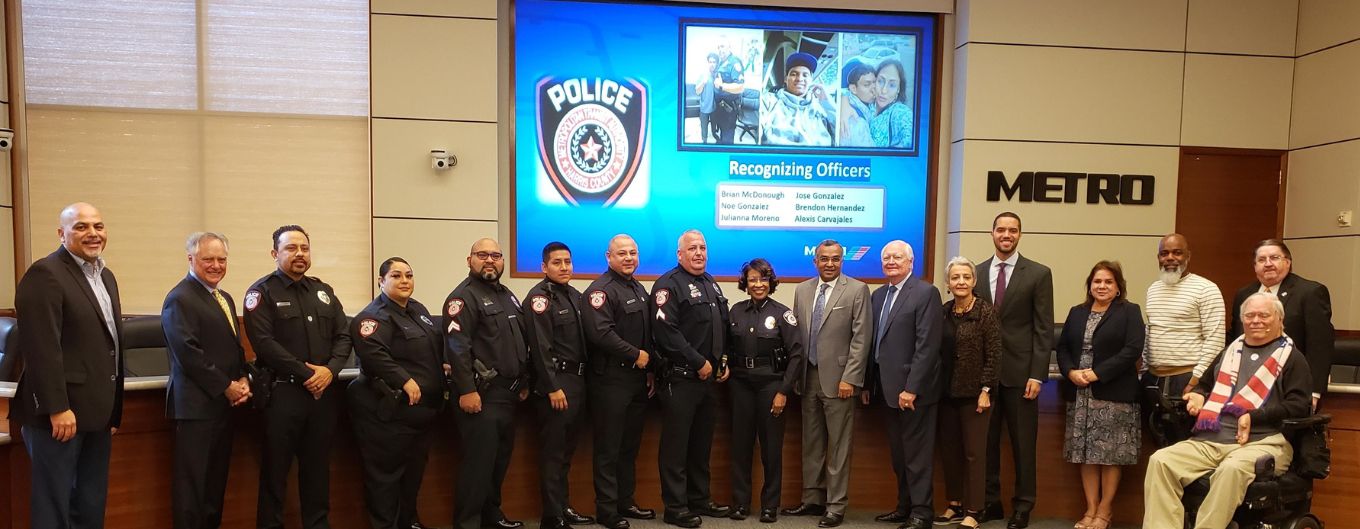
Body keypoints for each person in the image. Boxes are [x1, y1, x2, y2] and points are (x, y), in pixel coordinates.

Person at [1144, 292, 1313, 529]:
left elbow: (1299, 406)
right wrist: (1198, 395)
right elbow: (1204, 385)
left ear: (1279, 319)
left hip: (1263, 442)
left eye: (1264, 315)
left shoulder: (1292, 359)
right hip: (1212, 440)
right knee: (1161, 461)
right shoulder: (1229, 353)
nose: (1256, 320)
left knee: (1231, 469)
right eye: (1250, 315)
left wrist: (1253, 415)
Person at [14, 202, 124, 529]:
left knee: (90, 504)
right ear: (62, 234)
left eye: (98, 226)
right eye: (81, 227)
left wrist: (113, 408)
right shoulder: (45, 273)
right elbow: (40, 347)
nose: (92, 233)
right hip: (60, 415)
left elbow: (110, 346)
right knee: (54, 507)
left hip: (97, 413)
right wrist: (57, 407)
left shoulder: (106, 276)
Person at [244, 224, 352, 529]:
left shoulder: (323, 291)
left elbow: (344, 336)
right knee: (275, 474)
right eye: (291, 248)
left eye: (304, 248)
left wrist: (330, 371)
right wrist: (308, 374)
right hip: (283, 396)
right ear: (275, 253)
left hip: (322, 398)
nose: (299, 254)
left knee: (318, 473)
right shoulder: (261, 292)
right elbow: (264, 344)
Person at [347, 257, 445, 529]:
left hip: (421, 413)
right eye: (396, 276)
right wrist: (404, 380)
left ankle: (408, 522)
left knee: (412, 476)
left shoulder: (417, 309)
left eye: (409, 276)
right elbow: (373, 353)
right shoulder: (372, 317)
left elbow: (432, 345)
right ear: (381, 281)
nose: (405, 281)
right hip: (389, 413)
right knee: (385, 479)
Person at [782, 239, 872, 529]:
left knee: (838, 448)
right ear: (815, 261)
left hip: (840, 381)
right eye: (824, 259)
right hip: (808, 379)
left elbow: (861, 339)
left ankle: (835, 505)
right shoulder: (803, 289)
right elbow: (799, 336)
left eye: (835, 259)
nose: (830, 263)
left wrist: (851, 378)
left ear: (842, 261)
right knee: (812, 443)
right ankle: (812, 500)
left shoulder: (857, 290)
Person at [163, 231, 250, 529]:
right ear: (191, 259)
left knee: (214, 486)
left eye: (221, 259)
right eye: (208, 259)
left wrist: (242, 378)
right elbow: (188, 354)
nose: (216, 265)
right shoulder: (180, 298)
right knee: (193, 489)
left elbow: (233, 347)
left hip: (223, 408)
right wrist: (226, 387)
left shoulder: (223, 297)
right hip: (195, 409)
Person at [973, 212, 1053, 529]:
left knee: (1023, 445)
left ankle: (1023, 506)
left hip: (1022, 377)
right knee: (986, 443)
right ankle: (991, 502)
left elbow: (1043, 329)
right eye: (1001, 229)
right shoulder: (976, 273)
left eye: (1013, 230)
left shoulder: (1038, 273)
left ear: (1020, 234)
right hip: (984, 377)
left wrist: (1037, 374)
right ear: (991, 233)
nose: (1007, 234)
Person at [445, 238, 530, 529]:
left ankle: (491, 516)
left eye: (496, 255)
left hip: (507, 395)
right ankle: (468, 522)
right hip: (481, 395)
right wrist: (467, 390)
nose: (490, 260)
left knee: (498, 462)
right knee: (478, 466)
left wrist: (524, 381)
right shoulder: (463, 298)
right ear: (469, 260)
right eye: (482, 255)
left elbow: (519, 342)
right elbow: (458, 348)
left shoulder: (507, 295)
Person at [652, 229, 732, 528]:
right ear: (680, 254)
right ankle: (675, 507)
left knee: (701, 444)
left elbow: (720, 326)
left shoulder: (710, 282)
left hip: (707, 381)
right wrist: (698, 362)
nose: (699, 253)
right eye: (692, 248)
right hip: (681, 379)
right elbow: (666, 332)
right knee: (676, 446)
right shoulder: (668, 285)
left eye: (703, 248)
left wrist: (722, 360)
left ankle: (700, 499)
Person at [1056, 261, 1144, 529]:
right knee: (1086, 454)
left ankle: (1105, 510)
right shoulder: (1077, 312)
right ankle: (1090, 508)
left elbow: (1132, 350)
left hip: (1112, 393)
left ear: (1118, 287)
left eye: (1108, 282)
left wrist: (1097, 373)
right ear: (1090, 285)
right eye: (1097, 282)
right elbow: (1062, 349)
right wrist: (1071, 371)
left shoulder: (1129, 311)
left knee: (1110, 455)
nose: (1102, 286)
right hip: (1080, 393)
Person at [581, 234, 658, 529]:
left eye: (633, 253)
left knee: (629, 446)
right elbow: (600, 333)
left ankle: (626, 501)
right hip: (610, 380)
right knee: (608, 448)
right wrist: (635, 355)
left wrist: (649, 367)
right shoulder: (600, 291)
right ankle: (607, 510)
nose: (628, 258)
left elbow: (647, 332)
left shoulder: (638, 288)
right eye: (622, 253)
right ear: (608, 257)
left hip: (638, 380)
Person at [725, 258, 805, 523]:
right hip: (740, 385)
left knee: (771, 449)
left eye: (763, 279)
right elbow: (725, 347)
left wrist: (784, 391)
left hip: (771, 385)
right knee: (740, 447)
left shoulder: (783, 314)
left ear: (770, 282)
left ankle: (770, 505)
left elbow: (797, 356)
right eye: (752, 280)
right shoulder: (735, 311)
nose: (758, 284)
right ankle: (740, 503)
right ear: (745, 284)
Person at [870, 241, 942, 529]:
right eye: (886, 257)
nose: (891, 261)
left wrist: (911, 388)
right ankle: (904, 507)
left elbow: (927, 345)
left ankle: (922, 513)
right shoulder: (878, 295)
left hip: (913, 392)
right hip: (886, 390)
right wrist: (867, 385)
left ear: (911, 262)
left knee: (917, 456)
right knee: (899, 455)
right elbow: (874, 345)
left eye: (897, 257)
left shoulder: (925, 293)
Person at [524, 242, 594, 529]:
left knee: (566, 452)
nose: (564, 267)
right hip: (557, 384)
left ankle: (564, 507)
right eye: (557, 262)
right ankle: (552, 516)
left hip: (577, 382)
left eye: (567, 261)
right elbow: (540, 349)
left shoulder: (576, 296)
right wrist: (552, 386)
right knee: (553, 454)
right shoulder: (539, 299)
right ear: (544, 267)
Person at [932, 257, 1001, 529]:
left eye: (966, 277)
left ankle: (975, 510)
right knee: (950, 452)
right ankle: (955, 504)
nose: (961, 282)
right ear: (948, 283)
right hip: (946, 393)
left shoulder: (986, 312)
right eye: (955, 277)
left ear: (974, 281)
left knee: (974, 454)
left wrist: (986, 389)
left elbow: (995, 354)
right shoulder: (944, 311)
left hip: (976, 395)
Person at [1228, 239, 1333, 410]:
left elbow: (1320, 345)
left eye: (1274, 258)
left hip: (1291, 384)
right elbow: (1236, 337)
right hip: (1246, 384)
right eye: (1261, 260)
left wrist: (1314, 392)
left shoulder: (1310, 292)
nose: (1268, 264)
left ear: (1288, 262)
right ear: (1255, 266)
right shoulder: (1244, 294)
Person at [1143, 234, 1225, 445]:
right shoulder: (1153, 289)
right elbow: (1151, 333)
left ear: (1188, 256)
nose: (1170, 257)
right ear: (1158, 257)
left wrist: (1196, 381)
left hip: (1188, 378)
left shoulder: (1206, 289)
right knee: (1158, 445)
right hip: (1155, 379)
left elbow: (1215, 341)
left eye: (1177, 252)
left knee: (1187, 445)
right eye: (1165, 253)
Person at [759, 52, 835, 146]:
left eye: (805, 75)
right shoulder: (769, 100)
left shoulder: (821, 108)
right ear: (786, 79)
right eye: (794, 74)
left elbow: (843, 137)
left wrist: (828, 103)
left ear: (811, 80)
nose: (799, 79)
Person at [869, 59, 914, 148]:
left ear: (898, 90)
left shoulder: (900, 112)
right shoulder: (868, 102)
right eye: (880, 81)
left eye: (892, 85)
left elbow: (910, 137)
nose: (884, 90)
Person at [712, 41, 747, 144]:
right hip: (719, 106)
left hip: (729, 109)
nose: (720, 49)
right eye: (718, 46)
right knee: (721, 130)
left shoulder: (735, 62)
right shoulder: (721, 62)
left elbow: (740, 87)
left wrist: (722, 86)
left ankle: (725, 153)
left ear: (729, 47)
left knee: (727, 135)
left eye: (722, 46)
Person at [838, 60, 876, 147]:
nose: (873, 89)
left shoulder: (867, 103)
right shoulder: (857, 122)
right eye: (867, 85)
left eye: (874, 83)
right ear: (853, 89)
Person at [695, 53, 719, 144]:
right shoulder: (703, 74)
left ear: (716, 63)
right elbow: (697, 91)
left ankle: (714, 134)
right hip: (704, 107)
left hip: (715, 107)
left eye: (714, 62)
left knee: (714, 125)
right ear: (707, 63)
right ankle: (704, 141)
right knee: (704, 128)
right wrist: (703, 83)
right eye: (710, 62)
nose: (712, 64)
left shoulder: (717, 75)